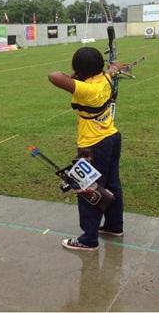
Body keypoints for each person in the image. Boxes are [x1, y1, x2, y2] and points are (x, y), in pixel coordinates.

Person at [48, 47, 127, 251]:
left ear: (80, 69)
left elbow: (54, 76)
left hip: (92, 145)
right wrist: (111, 69)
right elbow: (113, 68)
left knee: (88, 189)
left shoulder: (87, 89)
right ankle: (114, 226)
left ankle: (88, 239)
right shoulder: (106, 79)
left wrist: (75, 76)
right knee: (112, 184)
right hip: (112, 137)